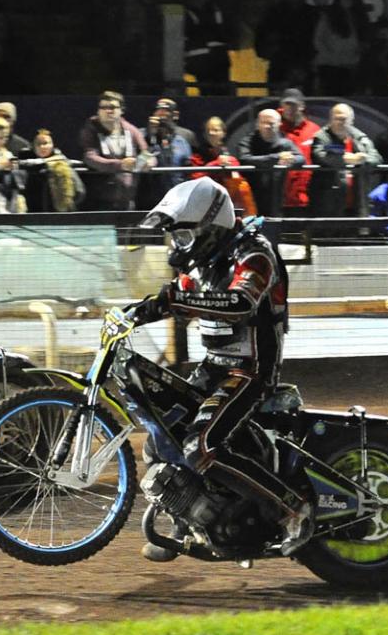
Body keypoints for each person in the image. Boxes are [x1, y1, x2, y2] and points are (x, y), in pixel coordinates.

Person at [124, 177, 306, 559]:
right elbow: (179, 296)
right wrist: (137, 312)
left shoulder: (255, 254)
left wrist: (174, 301)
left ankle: (292, 509)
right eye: (175, 238)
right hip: (214, 366)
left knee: (200, 445)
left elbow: (240, 303)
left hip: (250, 370)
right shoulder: (205, 260)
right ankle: (187, 521)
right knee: (162, 438)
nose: (178, 246)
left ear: (211, 227)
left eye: (185, 236)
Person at [79, 90, 148, 210]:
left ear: (122, 110)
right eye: (103, 107)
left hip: (127, 199)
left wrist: (147, 163)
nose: (108, 111)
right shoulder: (90, 130)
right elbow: (90, 157)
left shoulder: (131, 130)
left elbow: (146, 153)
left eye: (112, 107)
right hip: (98, 201)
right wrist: (120, 165)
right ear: (98, 110)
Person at [310, 103, 381, 217]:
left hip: (357, 201)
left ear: (351, 121)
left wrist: (361, 160)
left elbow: (376, 158)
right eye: (336, 119)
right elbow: (320, 156)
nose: (339, 123)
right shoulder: (321, 137)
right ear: (330, 119)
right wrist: (348, 159)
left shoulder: (359, 137)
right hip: (328, 202)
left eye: (343, 119)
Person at [237, 108, 303, 217]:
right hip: (252, 196)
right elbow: (244, 158)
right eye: (264, 123)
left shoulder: (285, 143)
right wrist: (276, 158)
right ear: (258, 124)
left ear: (279, 124)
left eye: (271, 123)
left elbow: (301, 159)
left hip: (276, 198)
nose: (267, 126)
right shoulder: (247, 141)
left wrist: (289, 160)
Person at [254, 0, 317, 91]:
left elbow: (318, 42)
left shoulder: (312, 14)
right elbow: (262, 39)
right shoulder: (273, 14)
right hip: (279, 66)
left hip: (305, 67)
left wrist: (311, 62)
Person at [189, 116, 256, 217]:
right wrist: (217, 163)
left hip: (226, 202)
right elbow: (195, 177)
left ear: (223, 133)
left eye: (215, 130)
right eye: (208, 130)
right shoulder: (198, 154)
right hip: (205, 201)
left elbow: (236, 171)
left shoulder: (228, 154)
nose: (211, 133)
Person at [312, 0, 365, 95]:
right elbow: (318, 39)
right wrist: (330, 56)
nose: (347, 0)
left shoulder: (359, 18)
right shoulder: (328, 16)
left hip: (350, 66)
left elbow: (362, 41)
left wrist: (356, 56)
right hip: (329, 66)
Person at [142, 97, 194, 206]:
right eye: (158, 111)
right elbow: (140, 160)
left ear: (175, 115)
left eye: (166, 112)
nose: (162, 116)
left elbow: (189, 169)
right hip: (148, 198)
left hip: (177, 196)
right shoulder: (142, 135)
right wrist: (150, 134)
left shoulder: (184, 137)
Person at [183, 0, 232, 95]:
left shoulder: (197, 12)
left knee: (212, 90)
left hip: (209, 60)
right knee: (214, 90)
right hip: (213, 60)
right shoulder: (217, 11)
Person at [22, 128, 85, 212]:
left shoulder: (63, 164)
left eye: (45, 143)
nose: (42, 147)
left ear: (52, 145)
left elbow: (79, 191)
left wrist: (68, 204)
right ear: (33, 146)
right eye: (38, 144)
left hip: (60, 214)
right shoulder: (25, 165)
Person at [278, 88, 319, 212]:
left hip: (307, 196)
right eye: (287, 104)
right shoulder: (273, 127)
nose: (290, 108)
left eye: (294, 104)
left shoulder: (314, 130)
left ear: (302, 106)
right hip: (278, 196)